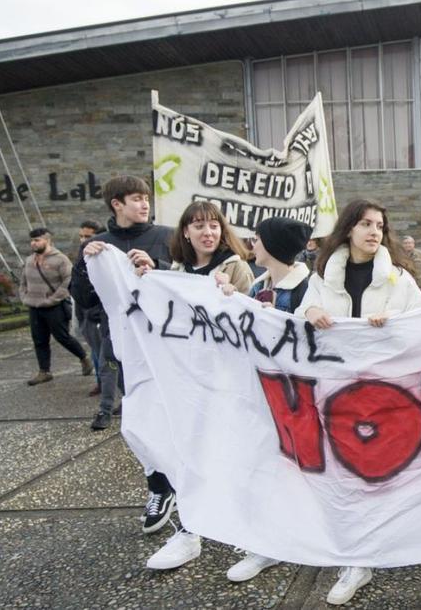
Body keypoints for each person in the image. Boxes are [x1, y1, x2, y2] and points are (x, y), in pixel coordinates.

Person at [296, 198, 421, 606]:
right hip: (334, 390)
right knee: (343, 473)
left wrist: (393, 325)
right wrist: (311, 309)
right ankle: (356, 557)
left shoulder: (398, 277)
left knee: (379, 471)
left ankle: (373, 548)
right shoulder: (323, 274)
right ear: (349, 228)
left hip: (384, 390)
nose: (373, 231)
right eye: (366, 224)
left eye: (379, 225)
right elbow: (301, 316)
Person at [146, 202, 275, 581]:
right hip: (187, 379)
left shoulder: (235, 266)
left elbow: (254, 318)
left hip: (228, 380)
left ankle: (255, 536)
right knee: (189, 453)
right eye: (199, 225)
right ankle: (189, 531)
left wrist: (233, 295)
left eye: (214, 225)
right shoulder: (175, 271)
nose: (208, 232)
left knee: (238, 454)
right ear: (185, 232)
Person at [73, 176, 175, 536]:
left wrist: (157, 266)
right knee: (139, 423)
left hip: (171, 348)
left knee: (178, 419)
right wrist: (87, 266)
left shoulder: (166, 236)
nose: (144, 204)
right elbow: (84, 299)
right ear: (116, 204)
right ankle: (159, 487)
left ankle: (186, 486)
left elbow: (186, 284)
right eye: (136, 198)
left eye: (146, 197)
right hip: (128, 350)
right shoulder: (98, 244)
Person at [19, 228, 91, 386]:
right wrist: (24, 297)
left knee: (62, 337)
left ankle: (83, 357)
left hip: (55, 306)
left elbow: (68, 281)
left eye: (37, 240)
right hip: (34, 306)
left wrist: (53, 299)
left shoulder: (60, 259)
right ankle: (44, 371)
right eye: (32, 240)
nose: (33, 243)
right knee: (39, 339)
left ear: (47, 240)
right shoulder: (29, 260)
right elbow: (23, 281)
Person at [249, 217, 313, 314]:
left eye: (257, 239)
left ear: (271, 245)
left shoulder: (305, 292)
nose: (253, 246)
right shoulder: (259, 285)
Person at [75, 219, 106, 396]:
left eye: (87, 236)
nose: (83, 240)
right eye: (81, 236)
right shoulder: (82, 255)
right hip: (86, 313)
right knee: (95, 350)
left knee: (105, 353)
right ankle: (100, 382)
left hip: (101, 312)